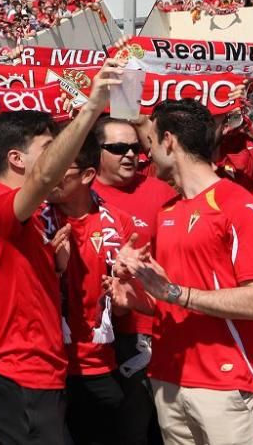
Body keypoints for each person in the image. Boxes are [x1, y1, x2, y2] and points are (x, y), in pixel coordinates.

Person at [110, 99, 253, 445]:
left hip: (224, 382)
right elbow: (170, 300)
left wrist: (173, 293)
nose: (146, 155)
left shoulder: (235, 203)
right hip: (169, 377)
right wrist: (137, 297)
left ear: (169, 141)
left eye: (150, 144)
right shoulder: (167, 209)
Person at [0, 60, 120, 444]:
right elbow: (43, 177)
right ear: (17, 160)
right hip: (23, 377)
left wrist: (53, 271)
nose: (58, 157)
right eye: (48, 148)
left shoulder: (32, 219)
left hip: (39, 376)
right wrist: (90, 110)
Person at [49, 131, 141, 445]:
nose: (49, 175)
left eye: (61, 167)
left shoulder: (120, 222)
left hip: (100, 365)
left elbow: (128, 303)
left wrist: (122, 295)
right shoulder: (34, 217)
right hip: (47, 368)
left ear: (88, 174)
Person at [91, 116, 173, 445]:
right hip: (97, 336)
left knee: (151, 430)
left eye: (135, 148)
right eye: (118, 148)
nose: (129, 155)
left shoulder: (161, 192)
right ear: (94, 153)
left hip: (151, 329)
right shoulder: (79, 192)